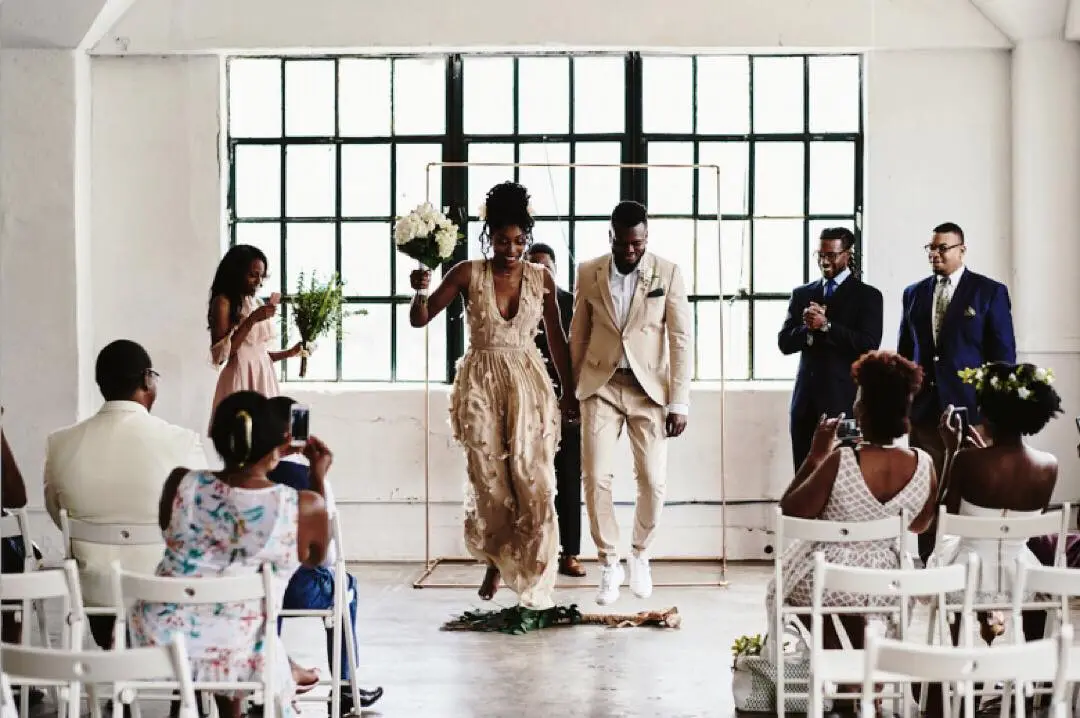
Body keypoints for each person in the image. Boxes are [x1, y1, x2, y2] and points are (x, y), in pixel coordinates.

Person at [408, 181, 577, 609]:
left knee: (533, 480)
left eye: (520, 241)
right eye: (503, 241)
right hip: (480, 381)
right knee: (491, 483)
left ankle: (537, 582)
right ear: (490, 236)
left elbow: (556, 339)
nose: (511, 249)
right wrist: (419, 287)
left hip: (528, 381)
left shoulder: (541, 278)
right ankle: (498, 559)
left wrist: (570, 392)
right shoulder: (467, 272)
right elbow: (421, 319)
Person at [129, 391, 329, 718]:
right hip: (244, 649)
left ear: (219, 438)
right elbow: (315, 558)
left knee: (214, 610)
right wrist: (317, 476)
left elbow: (170, 534)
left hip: (158, 637)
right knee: (237, 628)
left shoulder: (181, 484)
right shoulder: (302, 505)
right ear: (276, 446)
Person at [765, 351, 936, 659]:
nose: (854, 403)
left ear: (865, 409)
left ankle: (842, 665)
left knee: (792, 585)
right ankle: (863, 669)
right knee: (852, 601)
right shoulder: (924, 463)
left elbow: (790, 510)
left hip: (830, 577)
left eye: (859, 398)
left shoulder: (842, 459)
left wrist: (815, 456)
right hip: (888, 582)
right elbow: (920, 525)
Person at [43, 340, 207, 650]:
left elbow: (57, 513)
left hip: (95, 596)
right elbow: (198, 517)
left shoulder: (60, 443)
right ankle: (182, 690)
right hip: (167, 594)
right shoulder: (182, 442)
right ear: (147, 379)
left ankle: (121, 684)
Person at [569, 200, 693, 605]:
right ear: (611, 237)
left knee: (652, 481)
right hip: (600, 386)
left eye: (636, 244)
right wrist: (574, 391)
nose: (629, 251)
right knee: (596, 477)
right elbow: (578, 336)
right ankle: (609, 562)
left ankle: (640, 554)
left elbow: (679, 340)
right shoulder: (589, 272)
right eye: (622, 243)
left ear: (646, 237)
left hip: (650, 391)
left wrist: (680, 402)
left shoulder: (668, 272)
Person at [897, 222, 1016, 562]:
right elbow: (906, 354)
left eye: (943, 248)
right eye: (931, 248)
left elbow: (1003, 358)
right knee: (929, 492)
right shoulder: (914, 293)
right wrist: (905, 407)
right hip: (925, 414)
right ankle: (930, 563)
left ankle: (973, 561)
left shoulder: (989, 292)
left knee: (974, 490)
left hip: (972, 413)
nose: (935, 254)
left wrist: (992, 417)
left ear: (962, 250)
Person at [930, 361, 1062, 644]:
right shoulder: (1048, 466)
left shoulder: (967, 461)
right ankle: (1025, 666)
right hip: (1021, 575)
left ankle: (960, 658)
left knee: (954, 554)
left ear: (988, 415)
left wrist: (952, 452)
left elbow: (943, 518)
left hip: (964, 575)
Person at [267, 396, 383, 712]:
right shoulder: (311, 481)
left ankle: (268, 675)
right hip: (302, 591)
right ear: (296, 435)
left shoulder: (245, 481)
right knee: (347, 584)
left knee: (268, 588)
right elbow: (325, 556)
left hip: (255, 593)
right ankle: (345, 685)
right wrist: (318, 477)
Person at [778, 227, 883, 469]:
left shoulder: (867, 296)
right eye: (820, 254)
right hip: (805, 404)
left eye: (832, 255)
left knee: (845, 473)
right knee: (804, 474)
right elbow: (784, 343)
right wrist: (808, 329)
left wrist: (827, 326)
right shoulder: (802, 294)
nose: (825, 261)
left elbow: (868, 343)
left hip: (844, 403)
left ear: (848, 254)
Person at [527, 242, 585, 578]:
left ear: (555, 269)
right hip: (527, 404)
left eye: (544, 267)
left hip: (565, 404)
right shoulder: (515, 299)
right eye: (532, 266)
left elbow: (579, 352)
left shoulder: (569, 303)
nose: (539, 273)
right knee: (529, 479)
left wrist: (573, 399)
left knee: (567, 478)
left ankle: (570, 553)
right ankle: (534, 552)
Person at [207, 244, 303, 426]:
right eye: (253, 275)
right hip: (241, 378)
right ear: (236, 273)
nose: (258, 281)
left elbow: (260, 355)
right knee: (242, 439)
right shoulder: (223, 302)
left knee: (266, 438)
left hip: (264, 378)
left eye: (261, 276)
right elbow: (221, 356)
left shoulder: (255, 301)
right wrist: (251, 320)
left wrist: (290, 353)